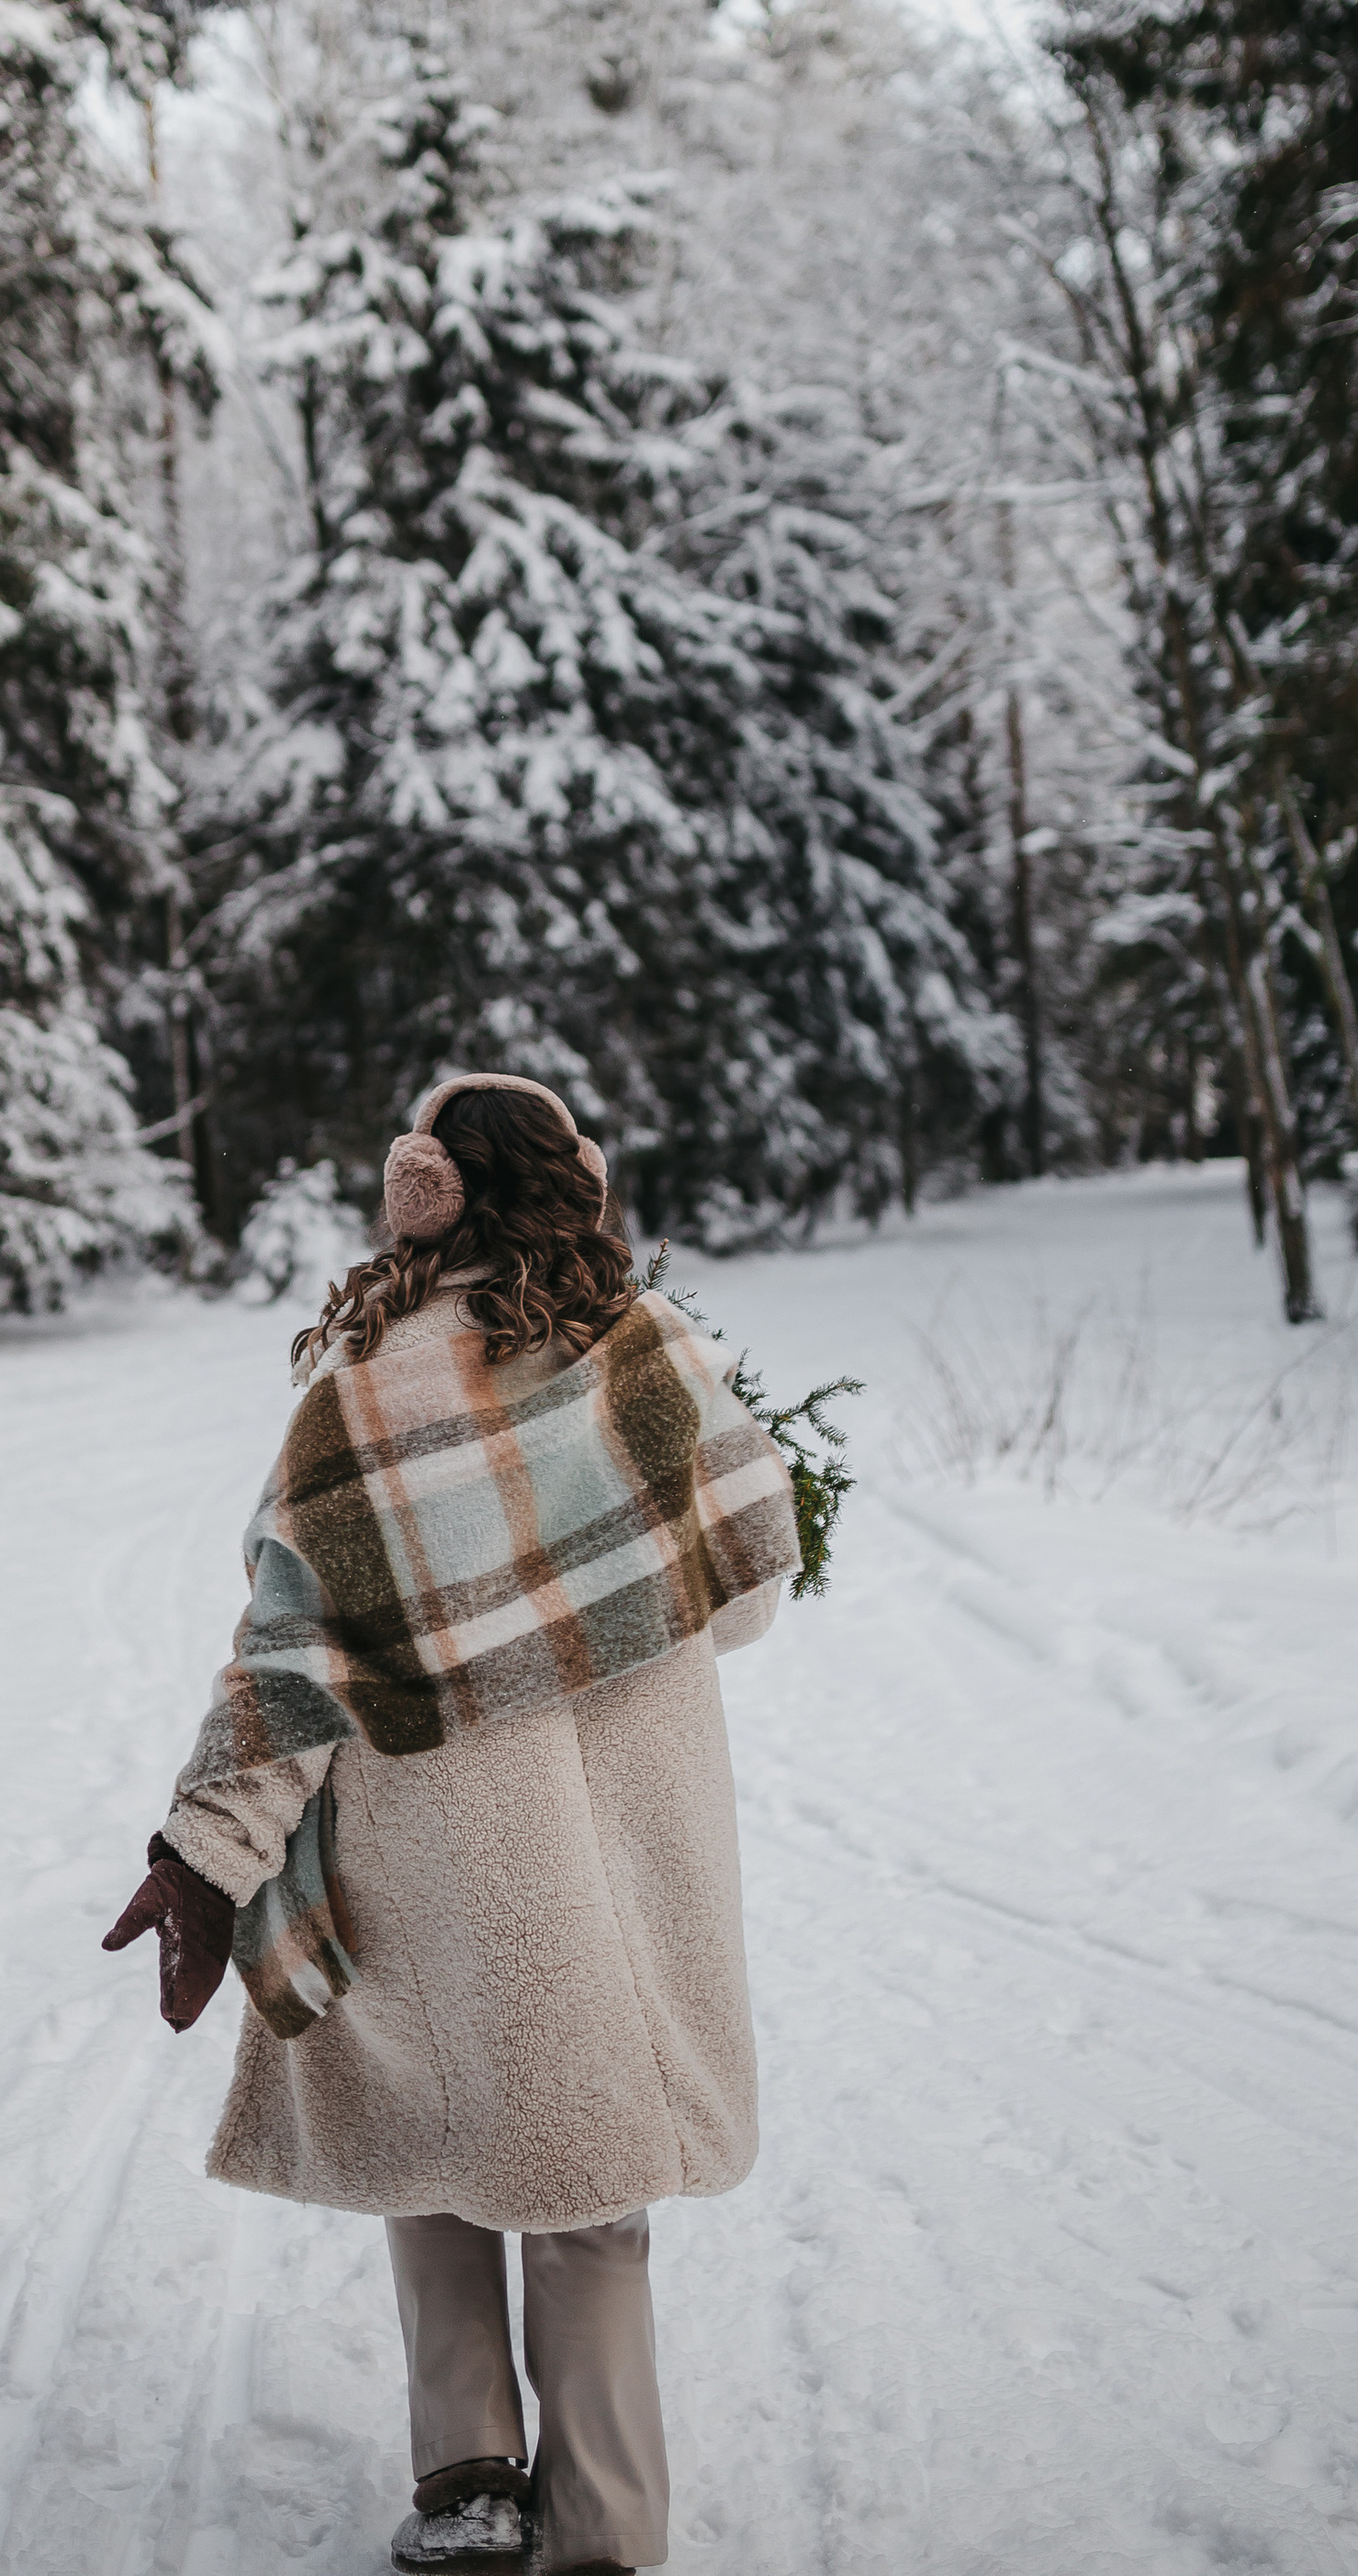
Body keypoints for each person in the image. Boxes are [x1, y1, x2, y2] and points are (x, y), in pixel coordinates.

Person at [104, 1073, 799, 2576]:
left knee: (441, 2150)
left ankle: (468, 2485)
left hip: (434, 1847)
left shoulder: (364, 1387)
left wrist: (203, 1856)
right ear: (576, 1185)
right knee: (590, 2182)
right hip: (627, 1843)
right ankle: (606, 2538)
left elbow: (284, 1665)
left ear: (422, 1193)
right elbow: (748, 1588)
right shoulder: (654, 1354)